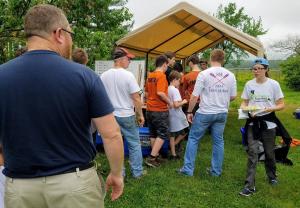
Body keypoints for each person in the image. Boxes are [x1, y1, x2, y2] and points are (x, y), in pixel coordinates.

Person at [0, 4, 124, 208]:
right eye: (70, 34)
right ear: (59, 33)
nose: (71, 41)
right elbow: (111, 134)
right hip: (74, 186)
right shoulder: (84, 76)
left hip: (20, 187)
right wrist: (116, 173)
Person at [178, 49, 237, 177]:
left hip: (205, 112)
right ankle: (216, 171)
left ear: (211, 59)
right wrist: (221, 96)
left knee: (193, 138)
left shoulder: (204, 74)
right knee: (218, 141)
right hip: (222, 112)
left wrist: (189, 111)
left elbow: (194, 96)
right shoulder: (230, 75)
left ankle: (188, 169)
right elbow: (233, 96)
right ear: (223, 59)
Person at [239, 58, 287, 197]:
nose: (256, 71)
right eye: (254, 68)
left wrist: (270, 108)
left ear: (266, 69)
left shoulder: (274, 84)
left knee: (269, 152)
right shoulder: (249, 84)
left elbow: (281, 104)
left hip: (269, 123)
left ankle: (272, 176)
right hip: (253, 122)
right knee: (252, 152)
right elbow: (244, 102)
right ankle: (249, 186)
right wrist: (245, 109)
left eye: (260, 68)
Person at [101, 47, 145, 179]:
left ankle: (120, 173)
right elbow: (136, 98)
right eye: (128, 58)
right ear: (120, 59)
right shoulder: (128, 75)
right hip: (126, 115)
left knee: (115, 144)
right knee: (134, 144)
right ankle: (137, 173)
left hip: (110, 115)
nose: (130, 61)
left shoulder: (104, 75)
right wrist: (140, 115)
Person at [144, 55, 173, 168]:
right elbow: (160, 93)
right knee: (162, 133)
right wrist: (169, 102)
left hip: (149, 109)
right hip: (159, 110)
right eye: (167, 66)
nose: (167, 68)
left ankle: (155, 156)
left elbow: (146, 93)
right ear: (164, 64)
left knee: (153, 133)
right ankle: (151, 158)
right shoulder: (161, 76)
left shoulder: (150, 76)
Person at [168, 71, 189, 159]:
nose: (179, 83)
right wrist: (184, 101)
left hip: (170, 113)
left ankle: (173, 154)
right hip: (177, 114)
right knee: (186, 130)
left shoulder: (168, 88)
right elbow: (176, 105)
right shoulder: (175, 90)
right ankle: (173, 146)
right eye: (179, 80)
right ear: (174, 80)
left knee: (172, 135)